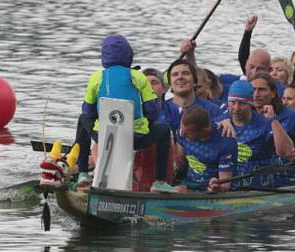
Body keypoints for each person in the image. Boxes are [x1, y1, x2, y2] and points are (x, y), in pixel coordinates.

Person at [73, 35, 171, 187]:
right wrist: (148, 124)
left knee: (82, 119)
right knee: (164, 129)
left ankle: (83, 173)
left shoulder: (96, 77)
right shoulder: (138, 76)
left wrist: (99, 119)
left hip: (104, 135)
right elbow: (152, 110)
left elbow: (87, 109)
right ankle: (159, 181)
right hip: (135, 138)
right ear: (129, 55)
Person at [221, 79, 295, 190]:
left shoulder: (264, 124)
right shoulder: (220, 122)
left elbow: (287, 152)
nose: (236, 108)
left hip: (261, 189)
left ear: (251, 103)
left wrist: (273, 120)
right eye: (233, 102)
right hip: (229, 188)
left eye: (242, 103)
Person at [172, 107, 237, 193]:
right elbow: (178, 164)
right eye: (181, 129)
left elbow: (225, 185)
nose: (183, 134)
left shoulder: (226, 143)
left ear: (204, 132)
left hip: (210, 189)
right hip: (188, 183)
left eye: (188, 132)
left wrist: (216, 186)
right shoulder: (182, 133)